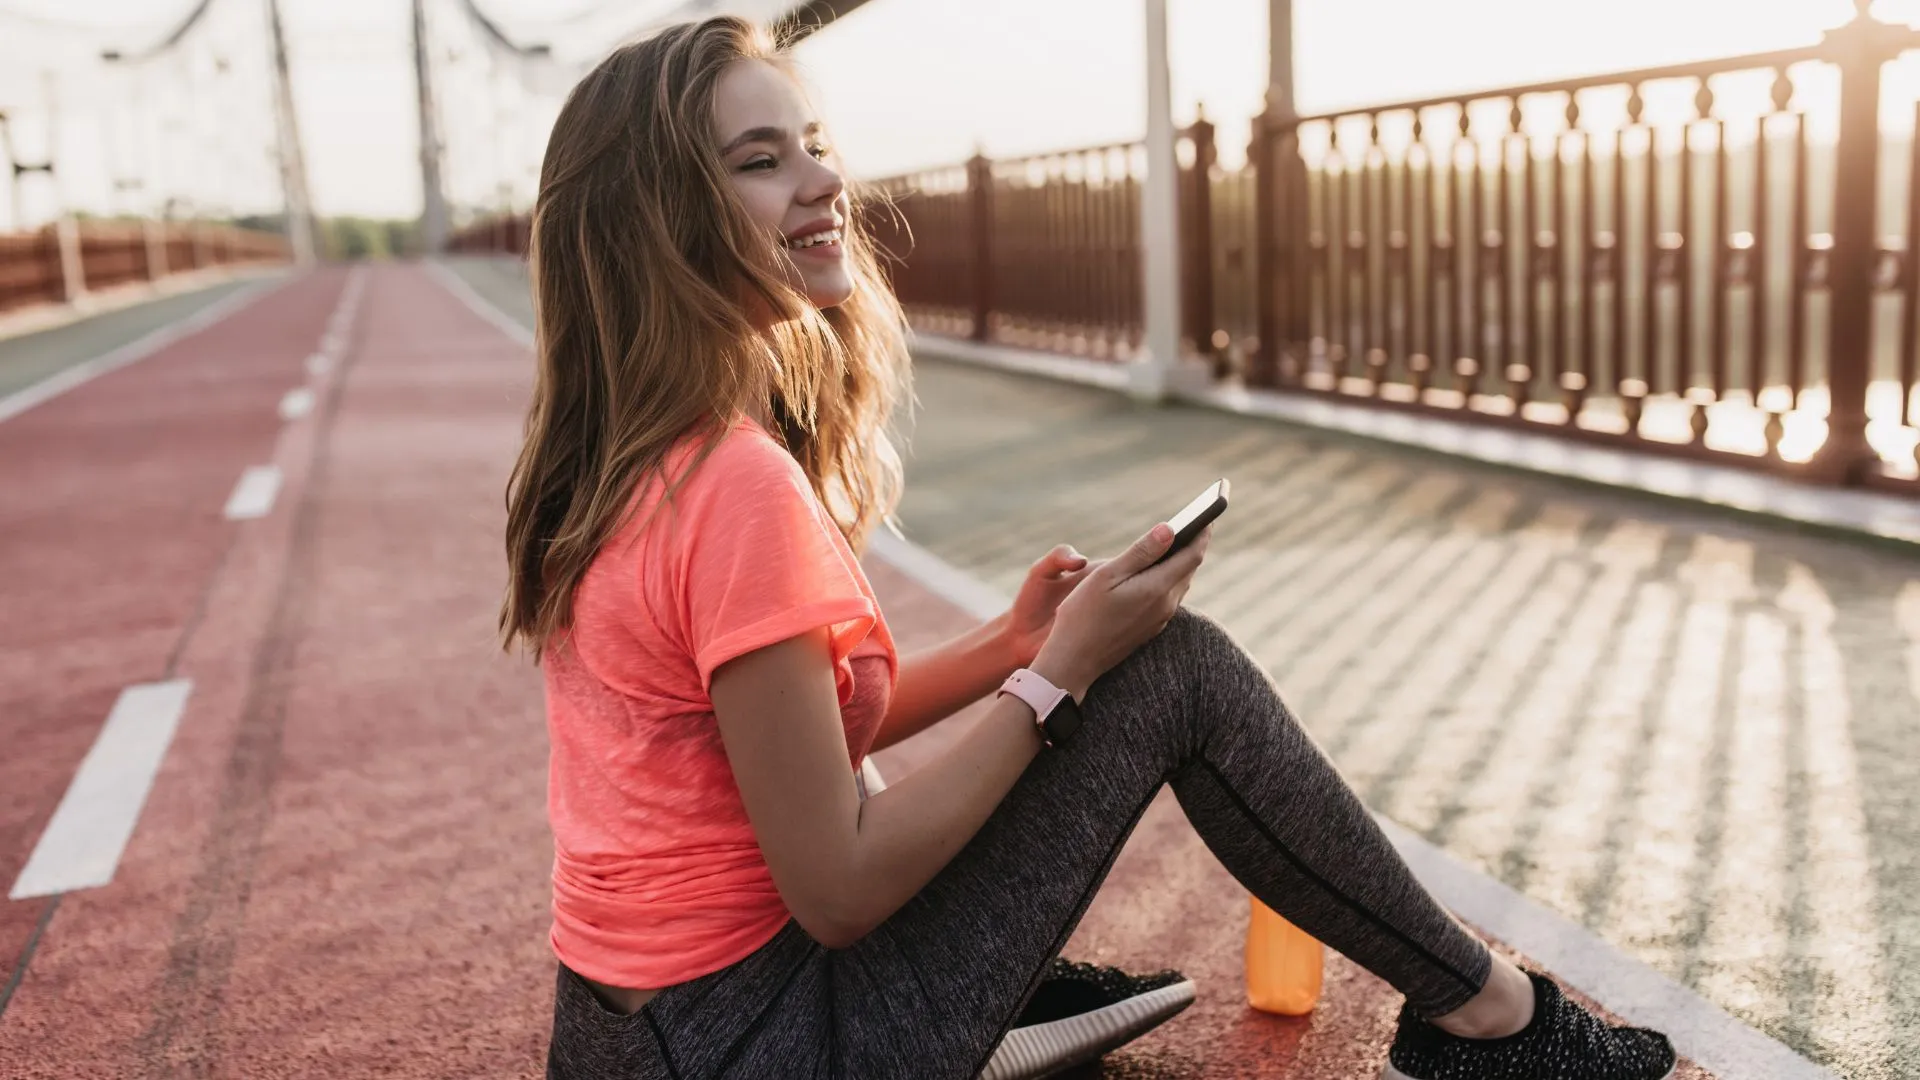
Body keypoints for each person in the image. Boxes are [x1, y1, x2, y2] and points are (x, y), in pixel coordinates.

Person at [499, 17, 1678, 1080]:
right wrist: (1055, 674)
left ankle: (1007, 981)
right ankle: (1493, 1021)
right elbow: (841, 888)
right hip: (768, 1041)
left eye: (810, 143)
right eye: (762, 162)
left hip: (626, 1036)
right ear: (659, 227)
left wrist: (1012, 647)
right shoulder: (736, 484)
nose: (823, 180)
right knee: (1176, 670)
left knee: (1084, 690)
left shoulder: (631, 459)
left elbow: (782, 749)